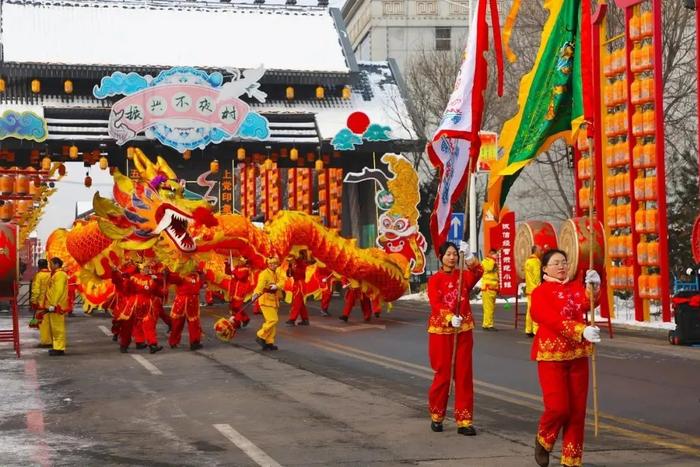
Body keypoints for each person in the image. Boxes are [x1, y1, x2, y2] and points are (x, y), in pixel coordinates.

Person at [531, 249, 601, 467]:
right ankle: (544, 439)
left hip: (578, 354)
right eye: (555, 263)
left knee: (577, 411)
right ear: (545, 269)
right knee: (558, 407)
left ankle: (571, 460)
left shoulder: (574, 287)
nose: (561, 266)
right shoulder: (540, 292)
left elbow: (588, 302)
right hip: (551, 355)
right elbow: (550, 319)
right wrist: (580, 330)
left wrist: (594, 286)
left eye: (564, 262)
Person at [426, 241, 483, 436]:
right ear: (441, 257)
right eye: (448, 254)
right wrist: (449, 317)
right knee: (443, 375)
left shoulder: (463, 276)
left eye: (455, 254)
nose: (452, 257)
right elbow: (435, 302)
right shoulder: (434, 280)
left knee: (464, 375)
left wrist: (469, 258)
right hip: (442, 333)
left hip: (463, 331)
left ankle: (464, 420)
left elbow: (478, 273)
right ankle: (437, 415)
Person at [253, 256, 285, 350]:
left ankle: (269, 342)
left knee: (272, 323)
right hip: (265, 300)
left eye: (275, 263)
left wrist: (277, 286)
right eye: (271, 263)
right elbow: (260, 286)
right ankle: (261, 335)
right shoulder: (264, 274)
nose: (273, 265)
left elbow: (283, 281)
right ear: (268, 264)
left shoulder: (277, 272)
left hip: (274, 299)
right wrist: (256, 293)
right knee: (273, 320)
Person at [168, 270, 205, 351]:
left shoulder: (197, 275)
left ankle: (194, 343)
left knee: (194, 323)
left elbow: (200, 286)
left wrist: (202, 274)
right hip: (181, 302)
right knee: (177, 323)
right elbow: (173, 279)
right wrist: (168, 272)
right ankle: (173, 342)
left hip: (193, 302)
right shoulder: (181, 273)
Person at [45, 257, 69, 356]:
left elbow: (58, 290)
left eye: (51, 264)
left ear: (56, 264)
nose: (49, 266)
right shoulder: (56, 274)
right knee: (55, 327)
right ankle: (56, 347)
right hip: (53, 304)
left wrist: (54, 304)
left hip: (57, 305)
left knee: (58, 327)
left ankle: (59, 348)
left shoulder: (60, 275)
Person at [286, 250, 314, 326]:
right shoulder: (294, 263)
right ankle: (305, 319)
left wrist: (294, 258)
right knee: (300, 303)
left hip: (300, 284)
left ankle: (292, 319)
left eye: (298, 254)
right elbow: (289, 274)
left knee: (296, 303)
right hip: (296, 283)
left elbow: (299, 262)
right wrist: (290, 266)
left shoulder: (302, 263)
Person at [30, 259, 52, 348]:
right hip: (52, 302)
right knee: (52, 322)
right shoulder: (52, 274)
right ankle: (52, 340)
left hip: (41, 303)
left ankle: (46, 341)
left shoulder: (39, 276)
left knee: (43, 323)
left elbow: (36, 290)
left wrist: (34, 301)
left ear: (39, 266)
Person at [525, 244, 544, 337]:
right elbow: (537, 276)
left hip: (529, 289)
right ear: (535, 251)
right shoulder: (536, 261)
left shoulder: (527, 261)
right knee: (536, 310)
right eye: (540, 250)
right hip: (535, 289)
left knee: (529, 310)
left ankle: (528, 329)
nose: (541, 252)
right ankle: (536, 330)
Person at [481, 248, 499, 331]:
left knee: (490, 308)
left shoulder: (493, 261)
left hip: (493, 287)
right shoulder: (486, 261)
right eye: (495, 254)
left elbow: (495, 276)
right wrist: (493, 259)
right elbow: (489, 268)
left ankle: (486, 324)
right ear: (491, 254)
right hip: (487, 288)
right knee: (489, 308)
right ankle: (488, 325)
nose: (496, 256)